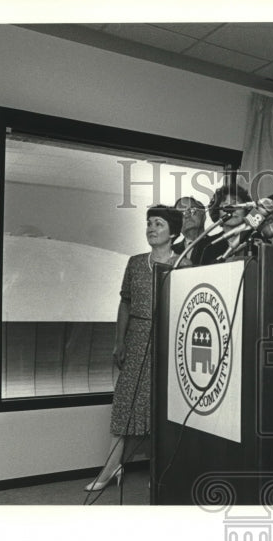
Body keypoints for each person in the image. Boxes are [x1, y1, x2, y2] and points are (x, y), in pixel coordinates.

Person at [86, 205, 182, 492]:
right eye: (149, 223)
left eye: (159, 224)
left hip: (168, 342)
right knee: (124, 404)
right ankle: (112, 467)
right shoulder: (135, 262)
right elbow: (125, 302)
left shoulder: (184, 265)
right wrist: (120, 341)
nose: (151, 228)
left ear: (173, 233)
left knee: (162, 408)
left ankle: (160, 470)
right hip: (137, 338)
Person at [193, 182, 253, 265]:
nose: (232, 209)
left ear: (246, 209)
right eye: (226, 206)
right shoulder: (206, 246)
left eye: (236, 204)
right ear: (217, 212)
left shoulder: (258, 243)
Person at [171, 196, 207, 268]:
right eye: (181, 214)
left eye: (192, 210)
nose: (186, 215)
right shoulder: (170, 252)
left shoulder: (219, 243)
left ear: (204, 215)